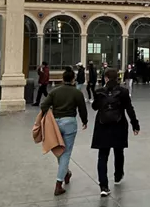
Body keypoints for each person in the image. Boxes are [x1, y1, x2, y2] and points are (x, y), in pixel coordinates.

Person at [40, 67, 89, 196]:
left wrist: (51, 114)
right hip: (70, 123)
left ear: (63, 78)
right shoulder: (77, 93)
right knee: (66, 153)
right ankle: (58, 183)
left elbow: (43, 105)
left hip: (56, 124)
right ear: (73, 79)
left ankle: (66, 172)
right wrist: (85, 121)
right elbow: (82, 109)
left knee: (59, 150)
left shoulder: (55, 92)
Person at [91, 68, 140, 197]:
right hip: (119, 125)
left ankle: (103, 185)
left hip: (102, 126)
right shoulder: (123, 92)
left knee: (103, 155)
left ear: (106, 78)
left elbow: (95, 107)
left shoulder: (99, 92)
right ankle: (118, 175)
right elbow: (129, 109)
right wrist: (135, 124)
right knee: (119, 151)